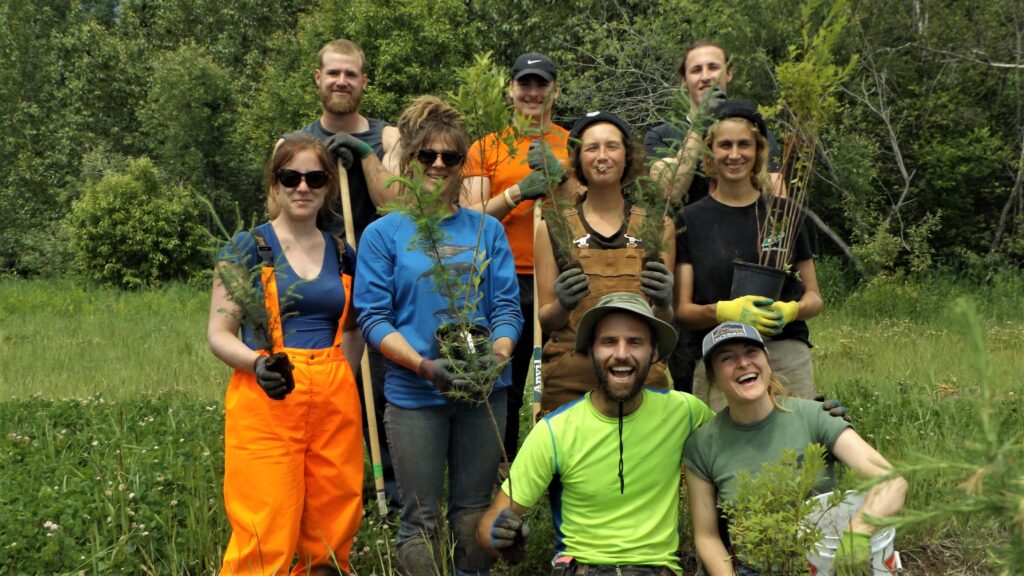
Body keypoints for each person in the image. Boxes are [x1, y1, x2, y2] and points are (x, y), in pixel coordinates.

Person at [354, 95, 523, 576]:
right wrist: (425, 366)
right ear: (409, 160)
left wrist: (498, 354)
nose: (438, 164)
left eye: (450, 156)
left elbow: (507, 307)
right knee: (420, 518)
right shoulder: (383, 234)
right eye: (428, 154)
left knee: (472, 509)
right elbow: (374, 317)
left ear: (461, 165)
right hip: (414, 394)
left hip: (483, 391)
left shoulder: (486, 231)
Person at [208, 134, 363, 575]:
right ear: (274, 185)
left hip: (333, 399)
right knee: (264, 527)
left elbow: (353, 330)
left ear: (327, 187)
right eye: (290, 177)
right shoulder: (247, 247)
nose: (302, 187)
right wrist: (257, 364)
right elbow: (219, 334)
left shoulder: (341, 252)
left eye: (314, 178)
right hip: (267, 396)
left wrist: (341, 377)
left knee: (333, 528)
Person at [478, 292, 715, 575]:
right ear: (590, 350)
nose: (621, 353)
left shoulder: (685, 413)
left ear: (654, 352)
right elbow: (490, 523)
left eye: (635, 342)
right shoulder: (555, 431)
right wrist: (503, 539)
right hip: (583, 569)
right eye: (608, 341)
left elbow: (735, 443)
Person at [684, 322, 908, 575]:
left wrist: (857, 535)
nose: (743, 363)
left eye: (751, 352)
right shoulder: (702, 444)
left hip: (827, 564)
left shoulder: (814, 416)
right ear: (712, 377)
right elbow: (707, 537)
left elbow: (893, 482)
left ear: (767, 362)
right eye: (727, 358)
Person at [290, 37, 400, 511]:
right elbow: (281, 218)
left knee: (381, 385)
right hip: (320, 283)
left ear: (363, 82)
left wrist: (365, 154)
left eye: (350, 74)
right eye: (332, 73)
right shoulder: (293, 144)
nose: (341, 81)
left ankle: (389, 488)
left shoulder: (389, 136)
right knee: (328, 383)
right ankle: (328, 488)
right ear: (318, 78)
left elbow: (394, 204)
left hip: (381, 280)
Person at [646, 40, 784, 393]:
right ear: (684, 81)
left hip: (746, 274)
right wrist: (701, 127)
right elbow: (668, 190)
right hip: (686, 280)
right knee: (687, 379)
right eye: (696, 70)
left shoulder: (754, 130)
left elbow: (777, 198)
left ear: (729, 73)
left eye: (714, 67)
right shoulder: (663, 135)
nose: (706, 76)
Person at [675, 100, 823, 412]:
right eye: (724, 145)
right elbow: (683, 311)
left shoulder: (785, 214)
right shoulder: (691, 220)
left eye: (744, 144)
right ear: (709, 152)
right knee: (728, 455)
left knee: (794, 450)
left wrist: (791, 311)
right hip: (722, 354)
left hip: (785, 352)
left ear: (758, 150)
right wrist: (723, 311)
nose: (734, 154)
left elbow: (815, 298)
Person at [461, 52, 573, 459]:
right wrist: (517, 193)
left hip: (556, 276)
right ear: (510, 90)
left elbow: (583, 211)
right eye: (524, 84)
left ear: (555, 92)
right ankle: (502, 467)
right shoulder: (486, 147)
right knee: (504, 377)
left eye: (541, 84)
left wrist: (561, 184)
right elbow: (470, 217)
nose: (532, 92)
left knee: (556, 377)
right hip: (501, 277)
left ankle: (554, 461)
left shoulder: (571, 145)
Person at [535, 111, 675, 412]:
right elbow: (546, 319)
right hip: (570, 382)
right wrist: (562, 304)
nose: (602, 156)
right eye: (591, 148)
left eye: (612, 146)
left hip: (640, 379)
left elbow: (664, 324)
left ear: (627, 155)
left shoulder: (657, 225)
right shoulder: (553, 225)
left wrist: (664, 304)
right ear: (577, 159)